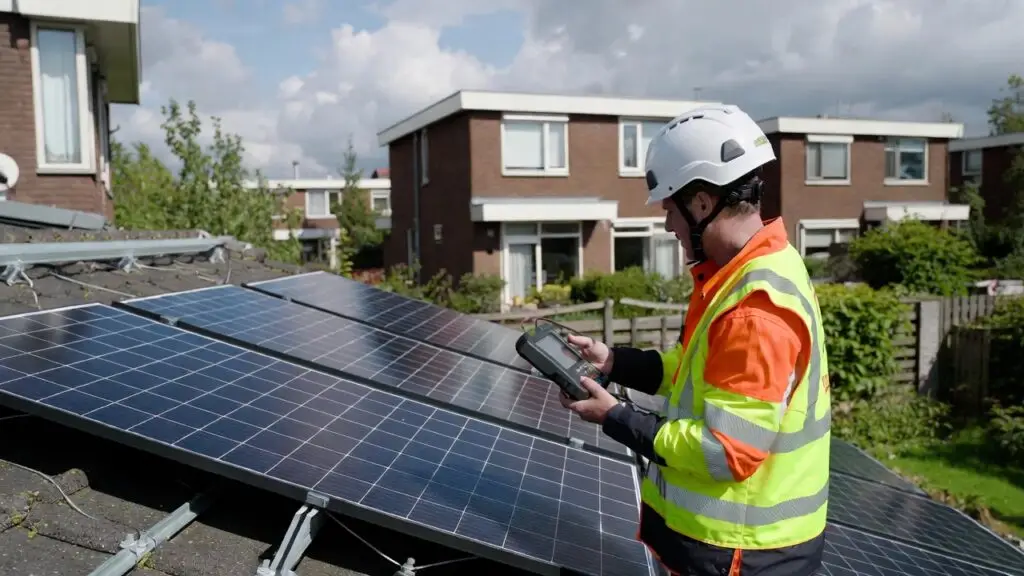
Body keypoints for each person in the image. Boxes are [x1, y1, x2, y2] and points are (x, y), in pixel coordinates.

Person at [560, 104, 831, 576]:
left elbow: (727, 450)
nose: (668, 226)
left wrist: (617, 417)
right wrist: (614, 363)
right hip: (735, 547)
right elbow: (695, 371)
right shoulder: (749, 272)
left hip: (743, 554)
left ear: (702, 203)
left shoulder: (753, 308)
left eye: (670, 209)